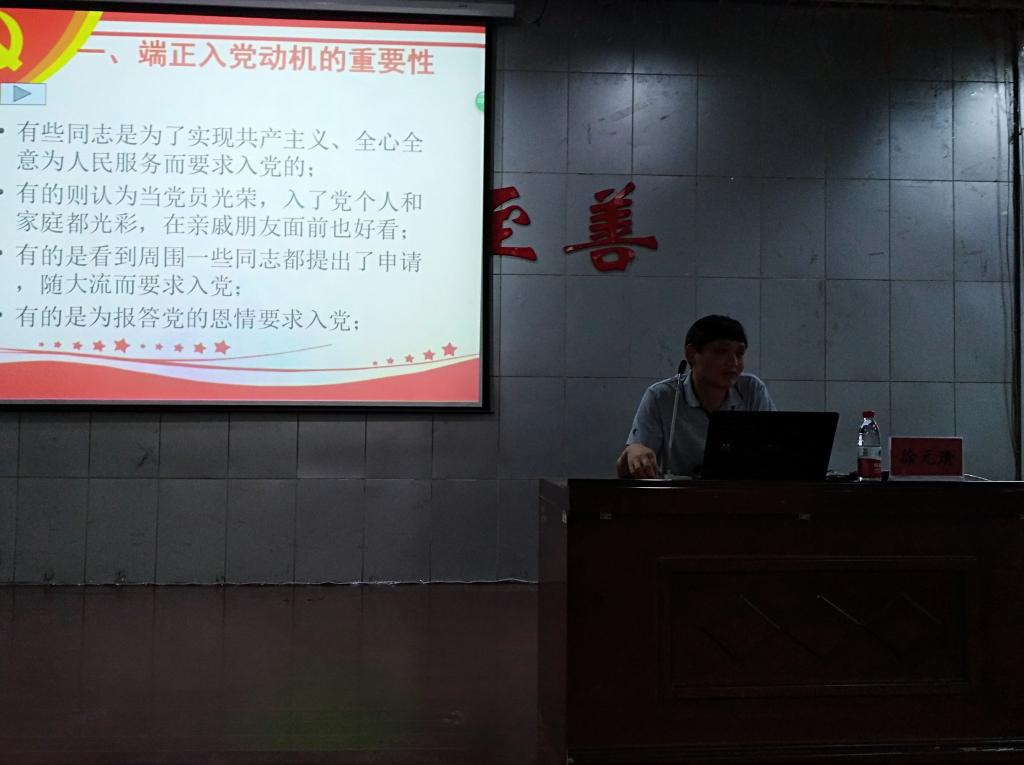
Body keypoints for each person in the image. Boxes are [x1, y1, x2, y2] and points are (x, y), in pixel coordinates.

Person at [616, 314, 775, 478]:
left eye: (740, 354)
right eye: (722, 352)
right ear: (691, 354)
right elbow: (629, 467)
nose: (734, 362)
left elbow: (774, 450)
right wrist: (633, 453)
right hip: (681, 493)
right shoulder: (661, 397)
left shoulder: (752, 390)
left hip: (738, 491)